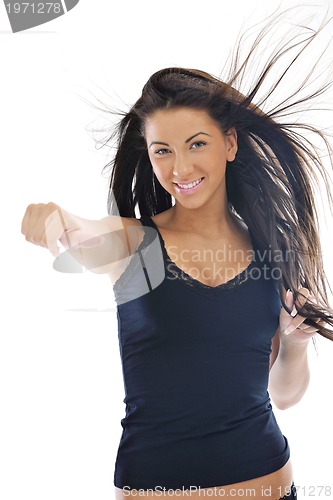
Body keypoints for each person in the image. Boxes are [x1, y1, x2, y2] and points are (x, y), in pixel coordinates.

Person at [21, 8, 333, 500]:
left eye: (196, 144)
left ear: (229, 144)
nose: (180, 166)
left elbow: (283, 396)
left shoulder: (270, 249)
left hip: (272, 484)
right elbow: (80, 230)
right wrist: (53, 216)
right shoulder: (134, 246)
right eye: (162, 150)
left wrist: (294, 345)